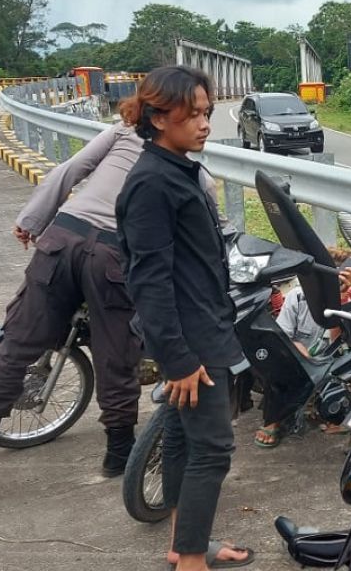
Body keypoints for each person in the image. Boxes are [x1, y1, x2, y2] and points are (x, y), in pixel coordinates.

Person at [117, 65, 254, 570]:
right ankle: (193, 561)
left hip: (202, 326)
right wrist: (177, 359)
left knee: (179, 435)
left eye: (206, 113)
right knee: (213, 450)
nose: (203, 125)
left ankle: (183, 543)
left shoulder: (178, 169)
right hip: (191, 341)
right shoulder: (152, 183)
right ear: (156, 117)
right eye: (192, 114)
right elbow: (147, 280)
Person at [0, 120, 148, 476]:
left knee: (19, 342)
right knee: (116, 355)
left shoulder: (123, 130)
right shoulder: (180, 158)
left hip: (62, 237)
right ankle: (119, 453)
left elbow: (68, 172)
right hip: (112, 256)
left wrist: (31, 220)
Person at [254, 251, 351, 449]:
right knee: (280, 360)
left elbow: (340, 344)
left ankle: (336, 416)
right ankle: (273, 419)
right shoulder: (297, 297)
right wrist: (296, 349)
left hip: (331, 363)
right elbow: (280, 336)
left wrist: (339, 301)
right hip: (299, 361)